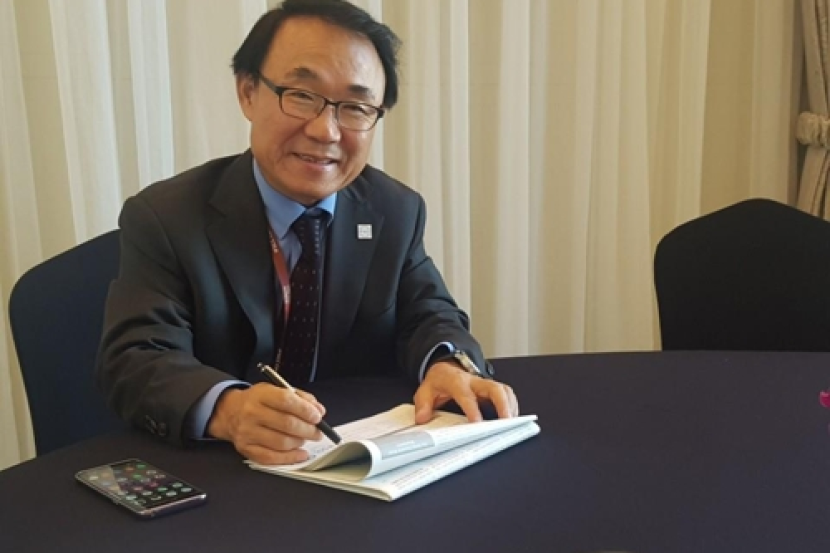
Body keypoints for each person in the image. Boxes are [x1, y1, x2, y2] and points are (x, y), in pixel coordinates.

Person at [97, 0, 518, 466]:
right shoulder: (167, 217)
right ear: (248, 92)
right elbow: (137, 359)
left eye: (355, 107)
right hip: (221, 470)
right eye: (301, 95)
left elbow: (429, 312)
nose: (325, 130)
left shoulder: (394, 210)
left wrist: (447, 364)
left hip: (353, 461)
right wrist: (228, 409)